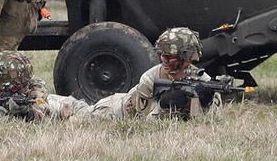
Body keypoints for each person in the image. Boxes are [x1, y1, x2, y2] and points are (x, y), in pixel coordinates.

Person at [88, 27, 220, 120]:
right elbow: (143, 121)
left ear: (186, 58)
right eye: (162, 55)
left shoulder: (200, 78)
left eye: (170, 57)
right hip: (113, 111)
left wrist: (206, 102)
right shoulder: (150, 78)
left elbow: (209, 120)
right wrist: (164, 106)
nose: (164, 60)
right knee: (81, 113)